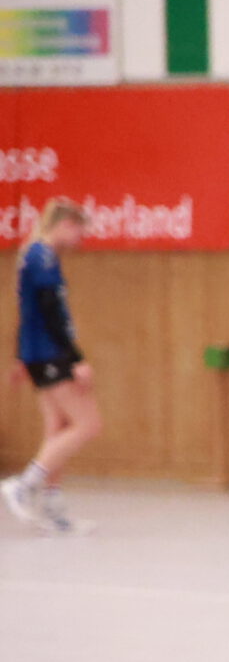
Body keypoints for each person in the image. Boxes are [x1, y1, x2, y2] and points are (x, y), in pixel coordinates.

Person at [4, 200, 99, 535]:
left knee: (58, 428)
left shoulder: (40, 256)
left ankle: (52, 505)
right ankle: (23, 485)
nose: (80, 240)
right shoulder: (41, 257)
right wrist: (76, 359)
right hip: (51, 354)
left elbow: (27, 311)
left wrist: (21, 357)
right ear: (65, 223)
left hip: (40, 353)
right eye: (79, 232)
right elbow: (49, 312)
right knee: (88, 424)